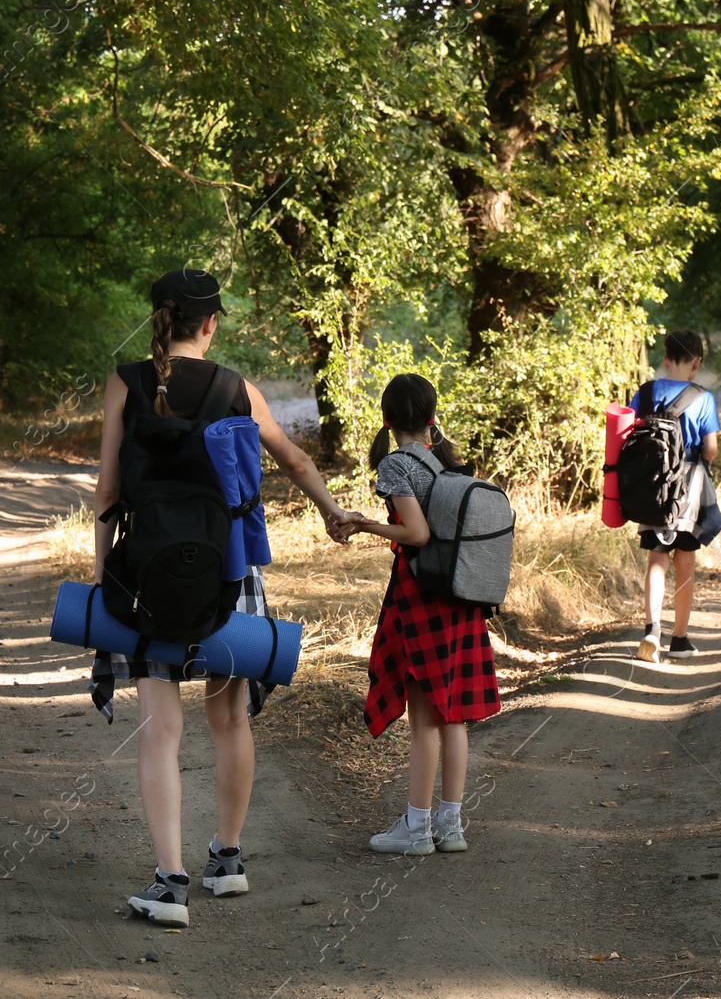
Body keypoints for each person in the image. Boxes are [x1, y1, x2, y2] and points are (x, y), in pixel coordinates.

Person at [92, 268, 353, 927]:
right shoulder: (237, 387)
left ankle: (170, 883)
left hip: (148, 576)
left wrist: (105, 587)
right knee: (230, 719)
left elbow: (106, 495)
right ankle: (228, 859)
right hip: (229, 573)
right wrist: (330, 512)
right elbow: (293, 459)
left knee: (160, 730)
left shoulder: (125, 382)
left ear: (158, 318)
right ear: (211, 324)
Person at [346, 374, 501, 856]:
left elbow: (414, 533)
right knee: (452, 714)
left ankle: (416, 830)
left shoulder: (396, 465)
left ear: (388, 419)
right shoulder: (443, 459)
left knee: (424, 720)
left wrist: (363, 523)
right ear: (431, 415)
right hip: (461, 594)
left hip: (422, 599)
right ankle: (450, 827)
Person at [632, 329, 721, 662]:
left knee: (656, 559)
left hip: (652, 486)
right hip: (689, 489)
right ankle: (679, 639)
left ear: (666, 359)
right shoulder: (704, 398)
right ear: (697, 362)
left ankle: (651, 629)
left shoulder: (646, 392)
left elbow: (625, 435)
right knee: (684, 561)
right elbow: (710, 450)